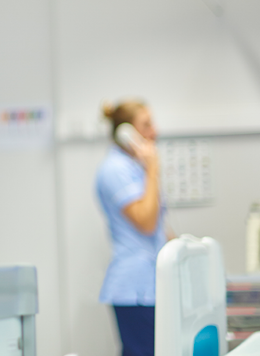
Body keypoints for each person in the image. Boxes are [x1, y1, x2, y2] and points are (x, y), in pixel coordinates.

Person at [95, 99, 170, 356]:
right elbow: (147, 223)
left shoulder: (133, 168)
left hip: (152, 284)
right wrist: (153, 169)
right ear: (125, 133)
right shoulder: (114, 169)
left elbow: (160, 228)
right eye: (146, 125)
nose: (154, 131)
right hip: (135, 288)